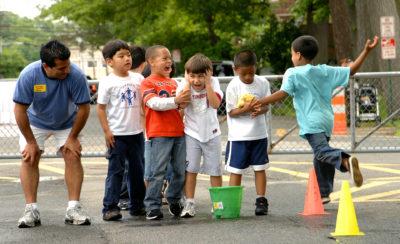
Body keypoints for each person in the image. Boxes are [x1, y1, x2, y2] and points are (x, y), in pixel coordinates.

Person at [259, 35, 379, 204]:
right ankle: (323, 192)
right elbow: (351, 70)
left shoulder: (292, 73)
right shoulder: (324, 70)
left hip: (311, 121)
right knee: (320, 156)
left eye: (292, 54)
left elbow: (282, 94)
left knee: (322, 152)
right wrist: (366, 51)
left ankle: (345, 160)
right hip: (326, 119)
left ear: (298, 55)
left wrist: (258, 102)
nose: (292, 57)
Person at [13, 40, 91, 228]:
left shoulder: (76, 75)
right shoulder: (29, 75)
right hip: (36, 122)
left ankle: (74, 208)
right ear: (46, 66)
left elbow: (84, 108)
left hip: (67, 121)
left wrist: (72, 138)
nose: (67, 71)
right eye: (61, 68)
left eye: (68, 66)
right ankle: (31, 210)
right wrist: (31, 142)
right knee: (29, 157)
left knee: (72, 155)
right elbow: (20, 110)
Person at [96, 40, 146, 221]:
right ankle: (110, 207)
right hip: (117, 135)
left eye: (128, 55)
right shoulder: (107, 82)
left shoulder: (138, 79)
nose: (127, 59)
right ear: (109, 61)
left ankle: (137, 206)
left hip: (136, 133)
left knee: (137, 171)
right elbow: (100, 108)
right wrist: (107, 131)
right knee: (115, 171)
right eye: (121, 56)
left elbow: (144, 104)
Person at [140, 45, 191, 220]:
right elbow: (153, 103)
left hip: (178, 132)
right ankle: (153, 206)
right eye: (164, 58)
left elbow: (180, 105)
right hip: (159, 133)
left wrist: (182, 102)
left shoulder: (174, 82)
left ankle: (174, 198)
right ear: (151, 61)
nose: (169, 61)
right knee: (157, 171)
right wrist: (176, 101)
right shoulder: (147, 82)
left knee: (179, 170)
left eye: (169, 58)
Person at [176, 53, 223, 218]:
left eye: (201, 76)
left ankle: (218, 204)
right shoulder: (184, 85)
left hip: (212, 133)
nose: (196, 80)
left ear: (209, 74)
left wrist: (208, 84)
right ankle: (189, 203)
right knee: (191, 170)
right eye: (192, 76)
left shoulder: (214, 83)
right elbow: (181, 106)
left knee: (215, 170)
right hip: (191, 133)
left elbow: (216, 104)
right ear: (187, 74)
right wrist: (187, 85)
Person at [225, 50, 271, 216]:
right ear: (236, 69)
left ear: (255, 68)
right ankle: (232, 201)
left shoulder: (262, 83)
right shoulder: (233, 86)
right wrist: (246, 109)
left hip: (259, 134)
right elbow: (231, 111)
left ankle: (261, 200)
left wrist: (259, 110)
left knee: (260, 168)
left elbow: (266, 105)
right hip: (239, 136)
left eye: (251, 73)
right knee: (236, 170)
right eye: (244, 74)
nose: (248, 77)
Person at [118, 45, 147, 211]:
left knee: (127, 166)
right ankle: (126, 197)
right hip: (133, 130)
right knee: (133, 166)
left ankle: (129, 199)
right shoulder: (138, 79)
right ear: (144, 64)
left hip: (124, 130)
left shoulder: (137, 79)